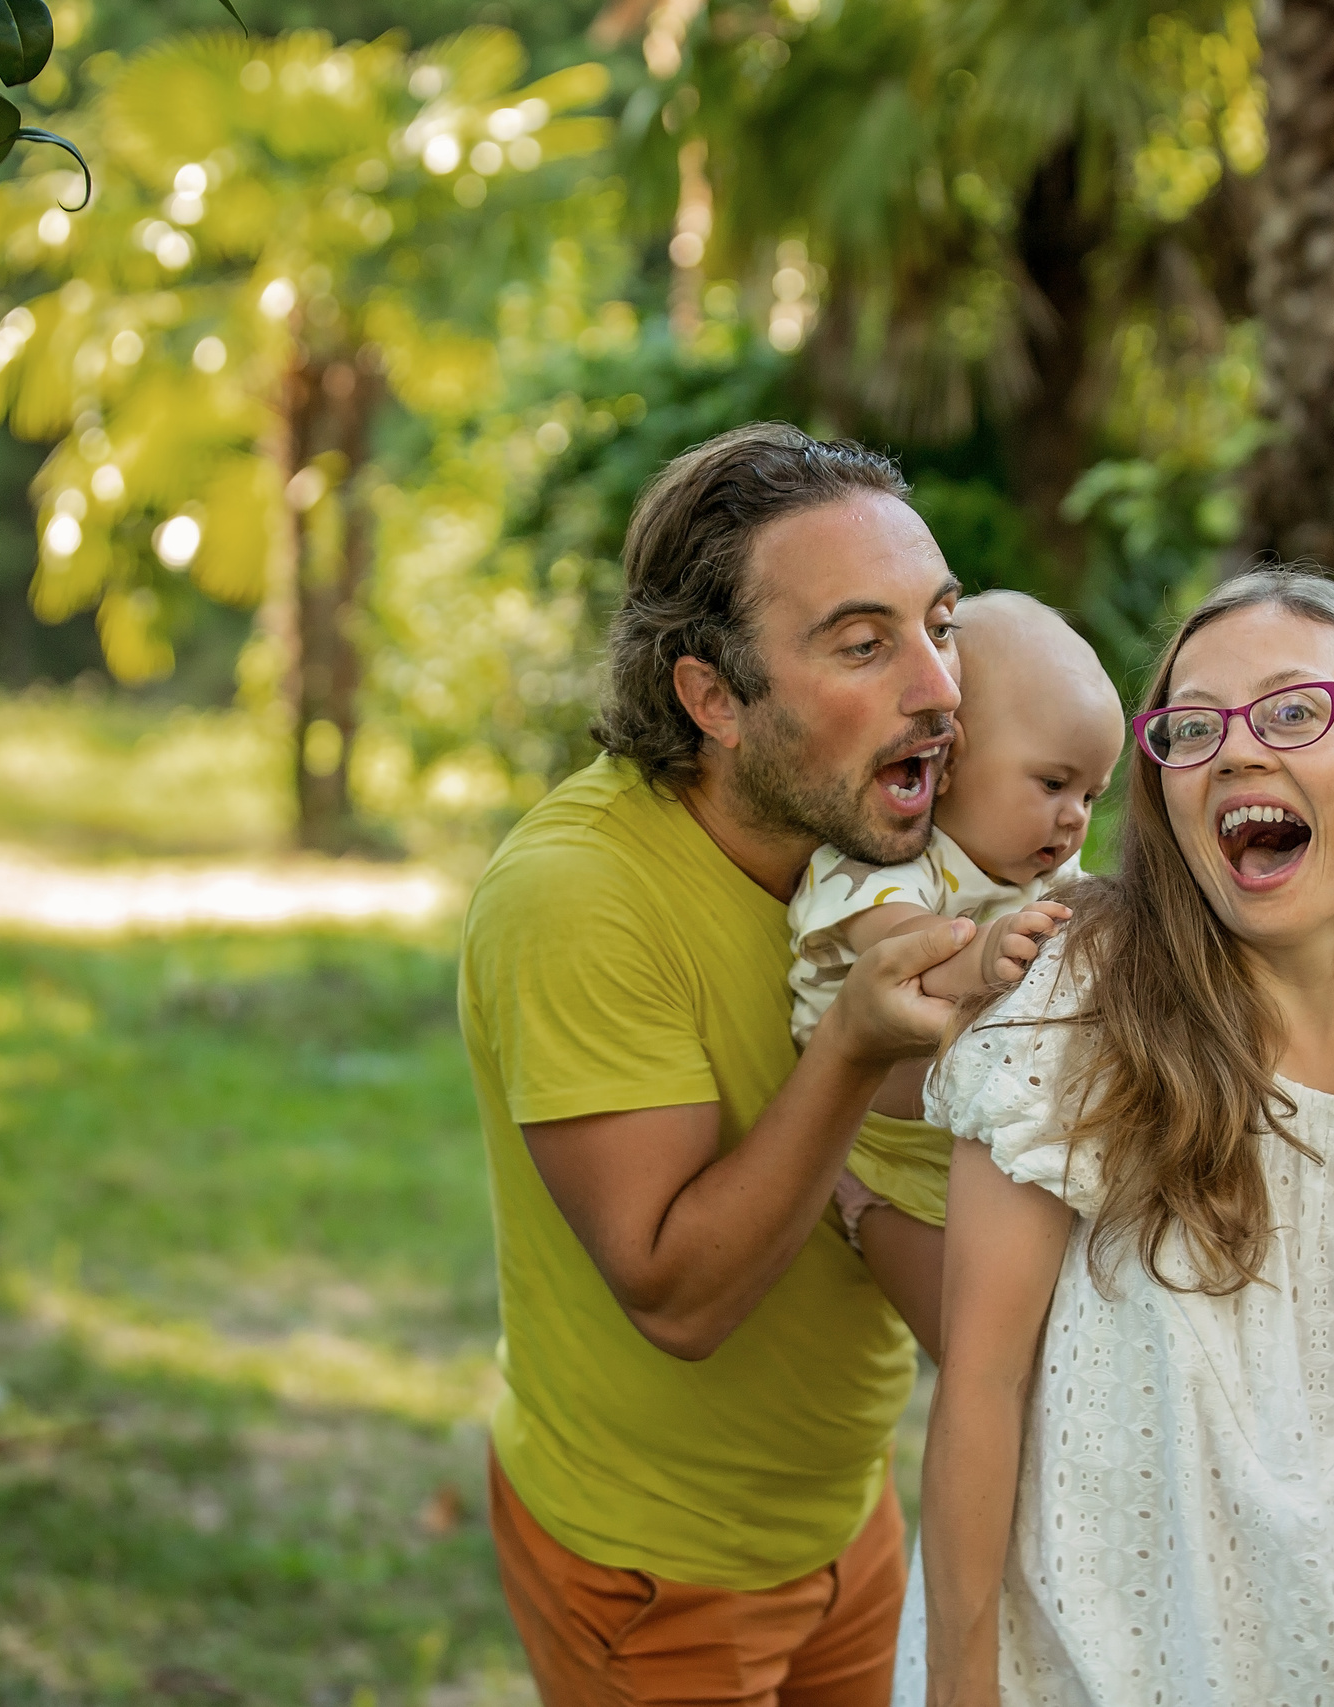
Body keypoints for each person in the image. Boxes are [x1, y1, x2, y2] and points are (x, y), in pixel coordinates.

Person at [909, 568, 1334, 1707]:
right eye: (1192, 728)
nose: (1234, 753)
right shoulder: (1079, 1007)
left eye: (1292, 712)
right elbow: (977, 1389)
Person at [458, 423, 982, 1707]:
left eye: (942, 623)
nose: (939, 686)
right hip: (658, 1570)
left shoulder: (878, 832)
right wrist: (853, 1046)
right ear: (711, 699)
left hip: (847, 1517)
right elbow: (677, 1296)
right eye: (863, 645)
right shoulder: (579, 901)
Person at [785, 591, 1126, 1358]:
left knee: (1054, 1353)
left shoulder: (1042, 869)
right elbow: (899, 954)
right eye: (1052, 783)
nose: (1074, 817)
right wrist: (981, 953)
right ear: (955, 753)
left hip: (987, 1154)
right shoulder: (885, 862)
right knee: (973, 1351)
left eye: (1091, 795)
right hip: (884, 1155)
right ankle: (858, 1213)